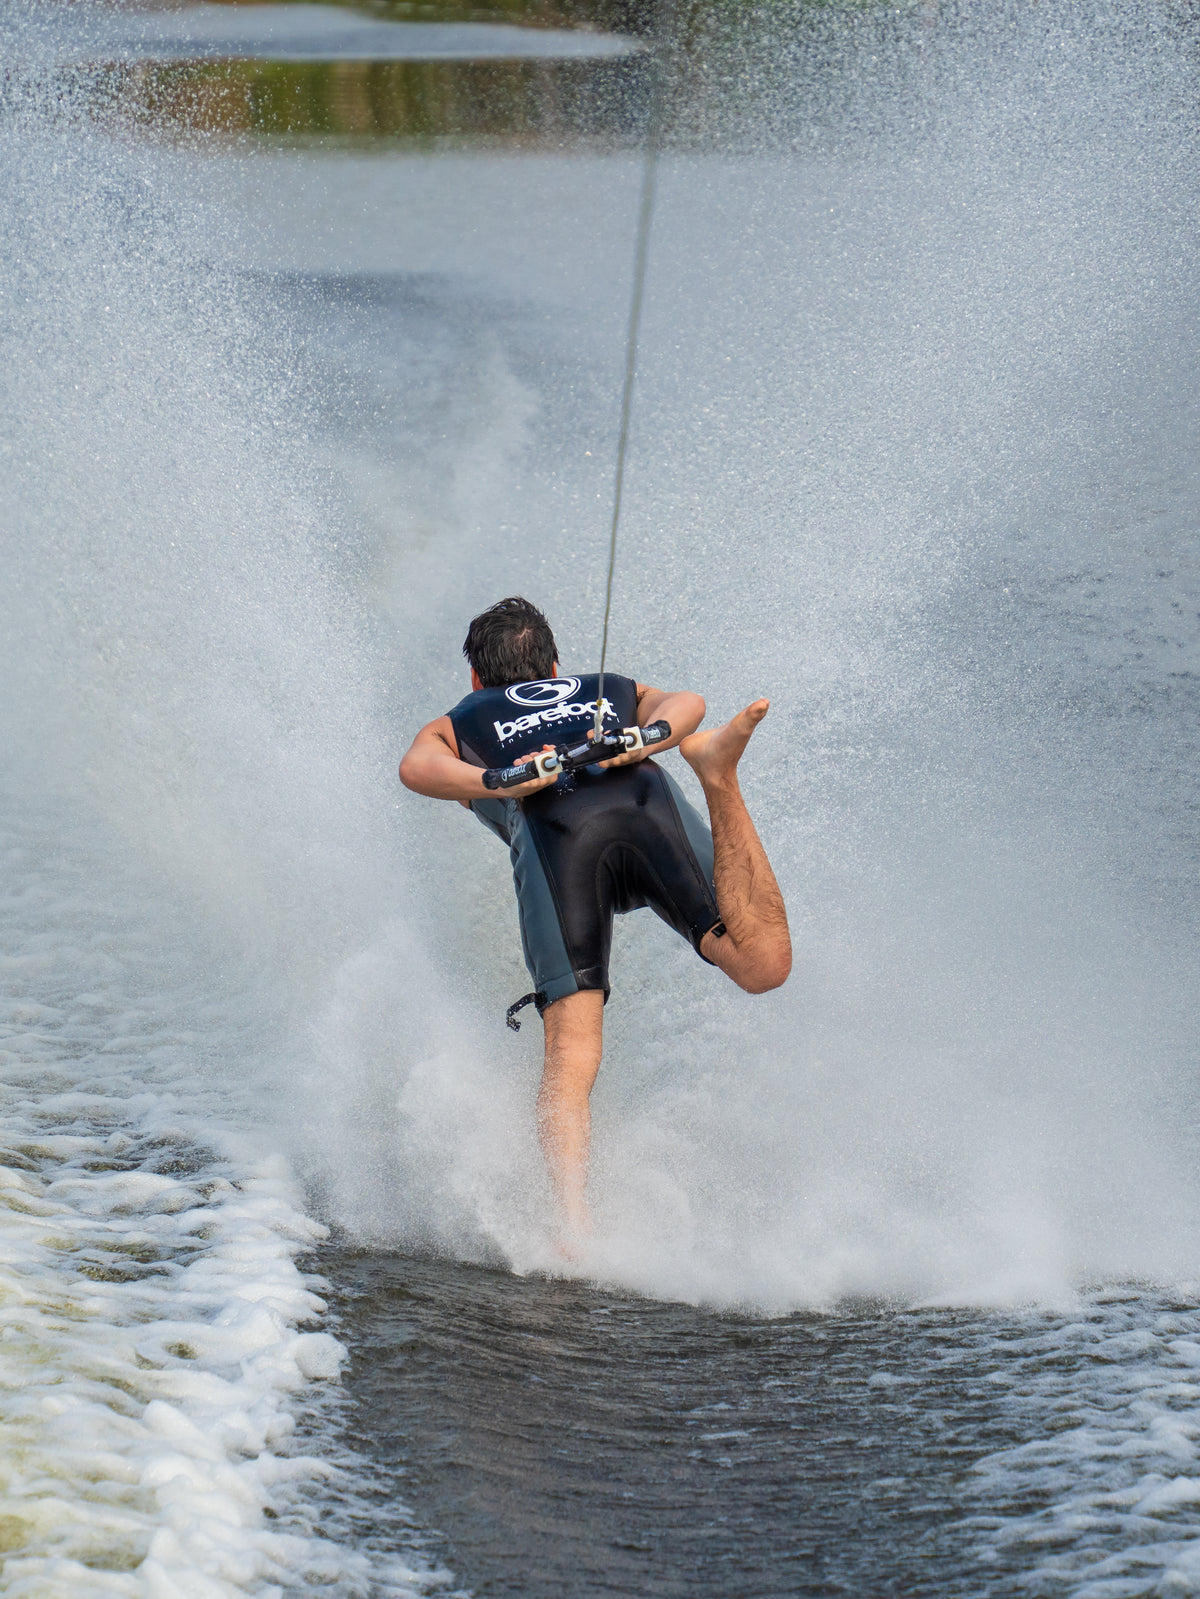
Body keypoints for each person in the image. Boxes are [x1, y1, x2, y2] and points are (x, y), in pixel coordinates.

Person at [398, 597, 790, 1248]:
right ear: (555, 662)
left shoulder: (464, 717)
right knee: (762, 962)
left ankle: (574, 1235)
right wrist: (646, 736)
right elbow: (685, 704)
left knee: (573, 1055)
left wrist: (498, 776)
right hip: (646, 802)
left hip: (559, 841)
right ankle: (719, 777)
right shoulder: (602, 689)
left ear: (476, 678)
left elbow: (417, 768)